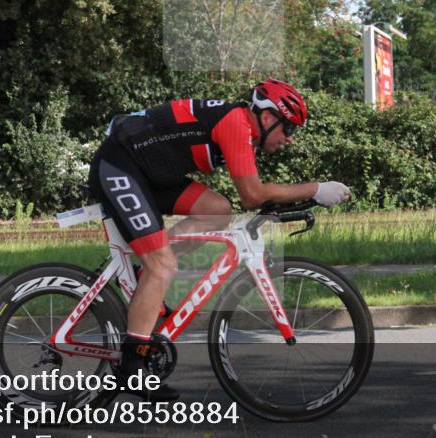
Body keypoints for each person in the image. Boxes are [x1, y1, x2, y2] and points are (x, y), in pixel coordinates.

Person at [87, 79, 351, 400]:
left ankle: (145, 276)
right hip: (120, 165)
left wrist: (290, 204)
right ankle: (131, 367)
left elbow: (247, 199)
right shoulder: (236, 123)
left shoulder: (244, 129)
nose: (289, 140)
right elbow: (252, 195)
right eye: (289, 129)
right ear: (268, 118)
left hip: (148, 172)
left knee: (217, 209)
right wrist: (314, 189)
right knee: (163, 265)